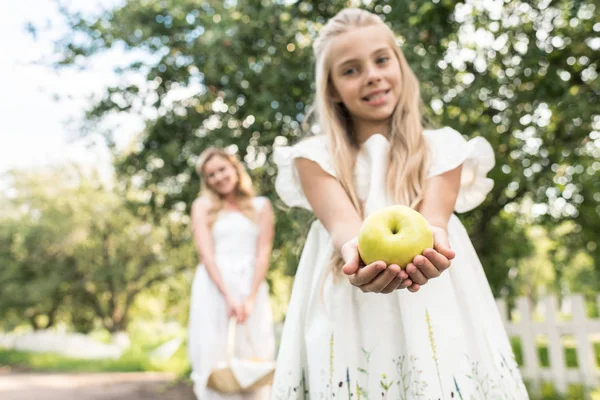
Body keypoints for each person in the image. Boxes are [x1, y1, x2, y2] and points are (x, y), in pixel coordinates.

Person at [271, 8, 528, 399]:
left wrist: (435, 241)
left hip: (434, 295)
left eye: (381, 59)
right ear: (333, 89)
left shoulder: (442, 148)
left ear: (400, 66)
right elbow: (344, 228)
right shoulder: (314, 156)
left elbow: (434, 220)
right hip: (347, 296)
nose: (372, 75)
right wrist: (355, 254)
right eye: (351, 70)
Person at [188, 147, 275, 400]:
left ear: (234, 168)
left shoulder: (261, 206)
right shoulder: (202, 207)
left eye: (222, 169)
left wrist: (249, 297)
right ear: (207, 181)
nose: (218, 177)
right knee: (215, 355)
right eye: (211, 174)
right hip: (214, 288)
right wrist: (228, 296)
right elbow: (206, 254)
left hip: (252, 286)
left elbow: (263, 253)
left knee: (254, 352)